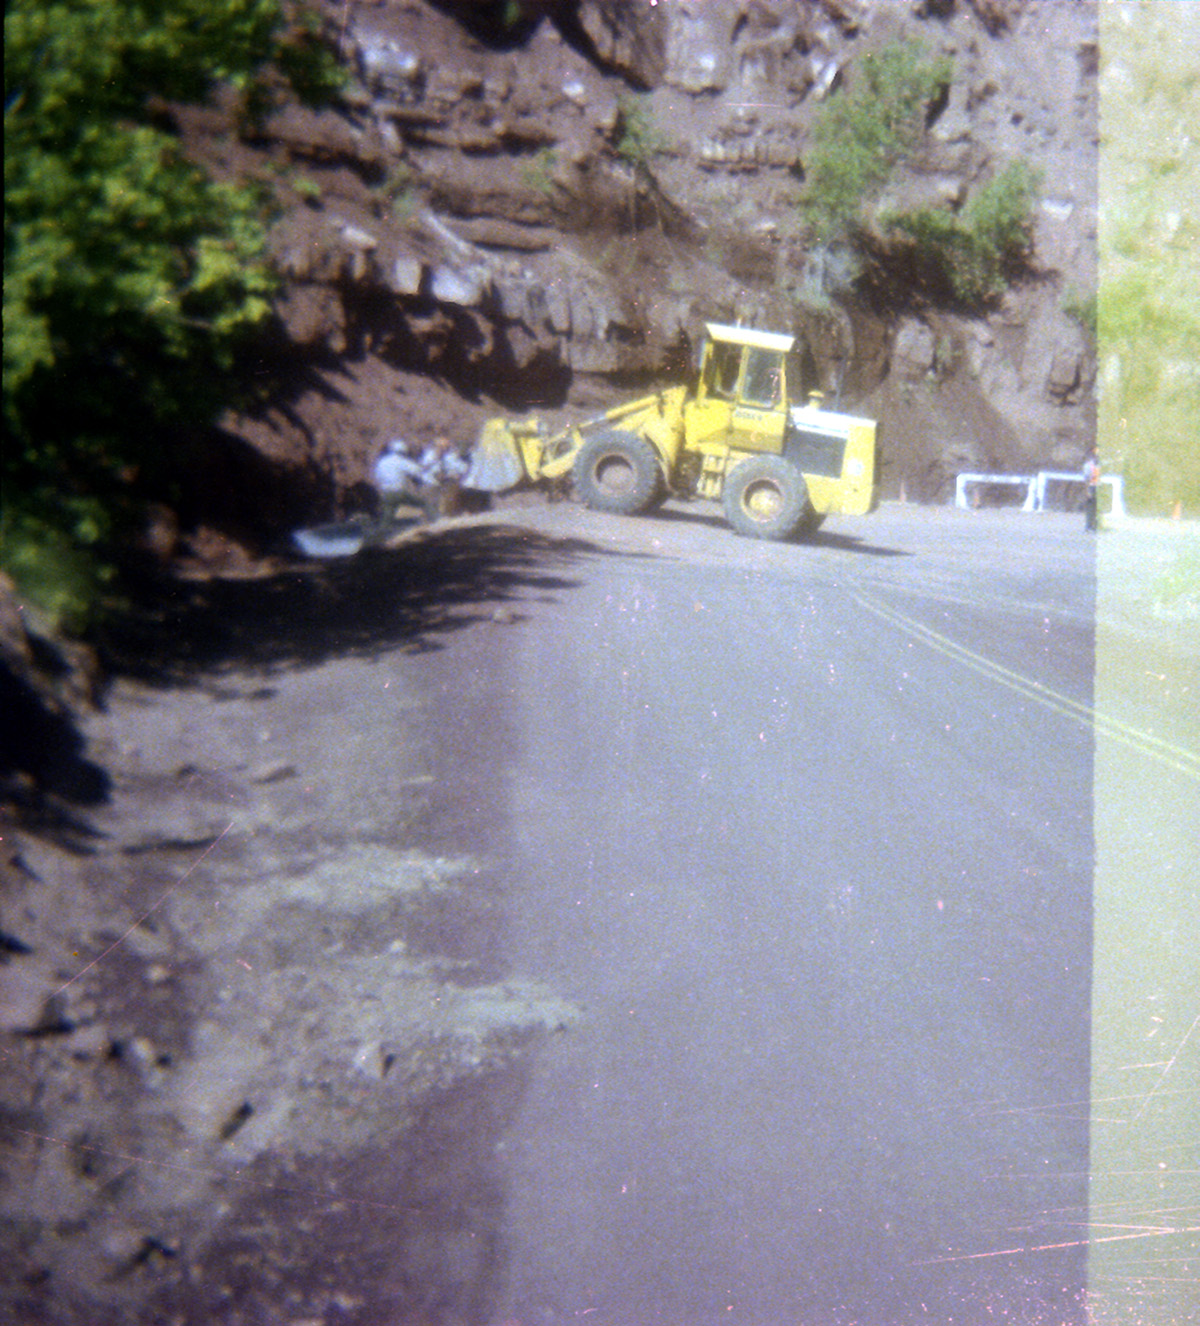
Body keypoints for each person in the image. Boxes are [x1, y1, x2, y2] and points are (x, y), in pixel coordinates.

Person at [372, 438, 425, 521]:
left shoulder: (382, 461)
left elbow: (377, 476)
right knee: (424, 504)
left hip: (386, 493)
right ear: (403, 451)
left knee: (388, 515)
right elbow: (417, 470)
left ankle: (382, 531)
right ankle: (436, 521)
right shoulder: (401, 460)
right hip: (399, 492)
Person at [1082, 445, 1101, 532]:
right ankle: (1089, 526)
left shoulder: (1100, 466)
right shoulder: (1088, 465)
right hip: (1092, 487)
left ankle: (1095, 526)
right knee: (1091, 508)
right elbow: (1086, 479)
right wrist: (1087, 490)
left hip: (1099, 488)